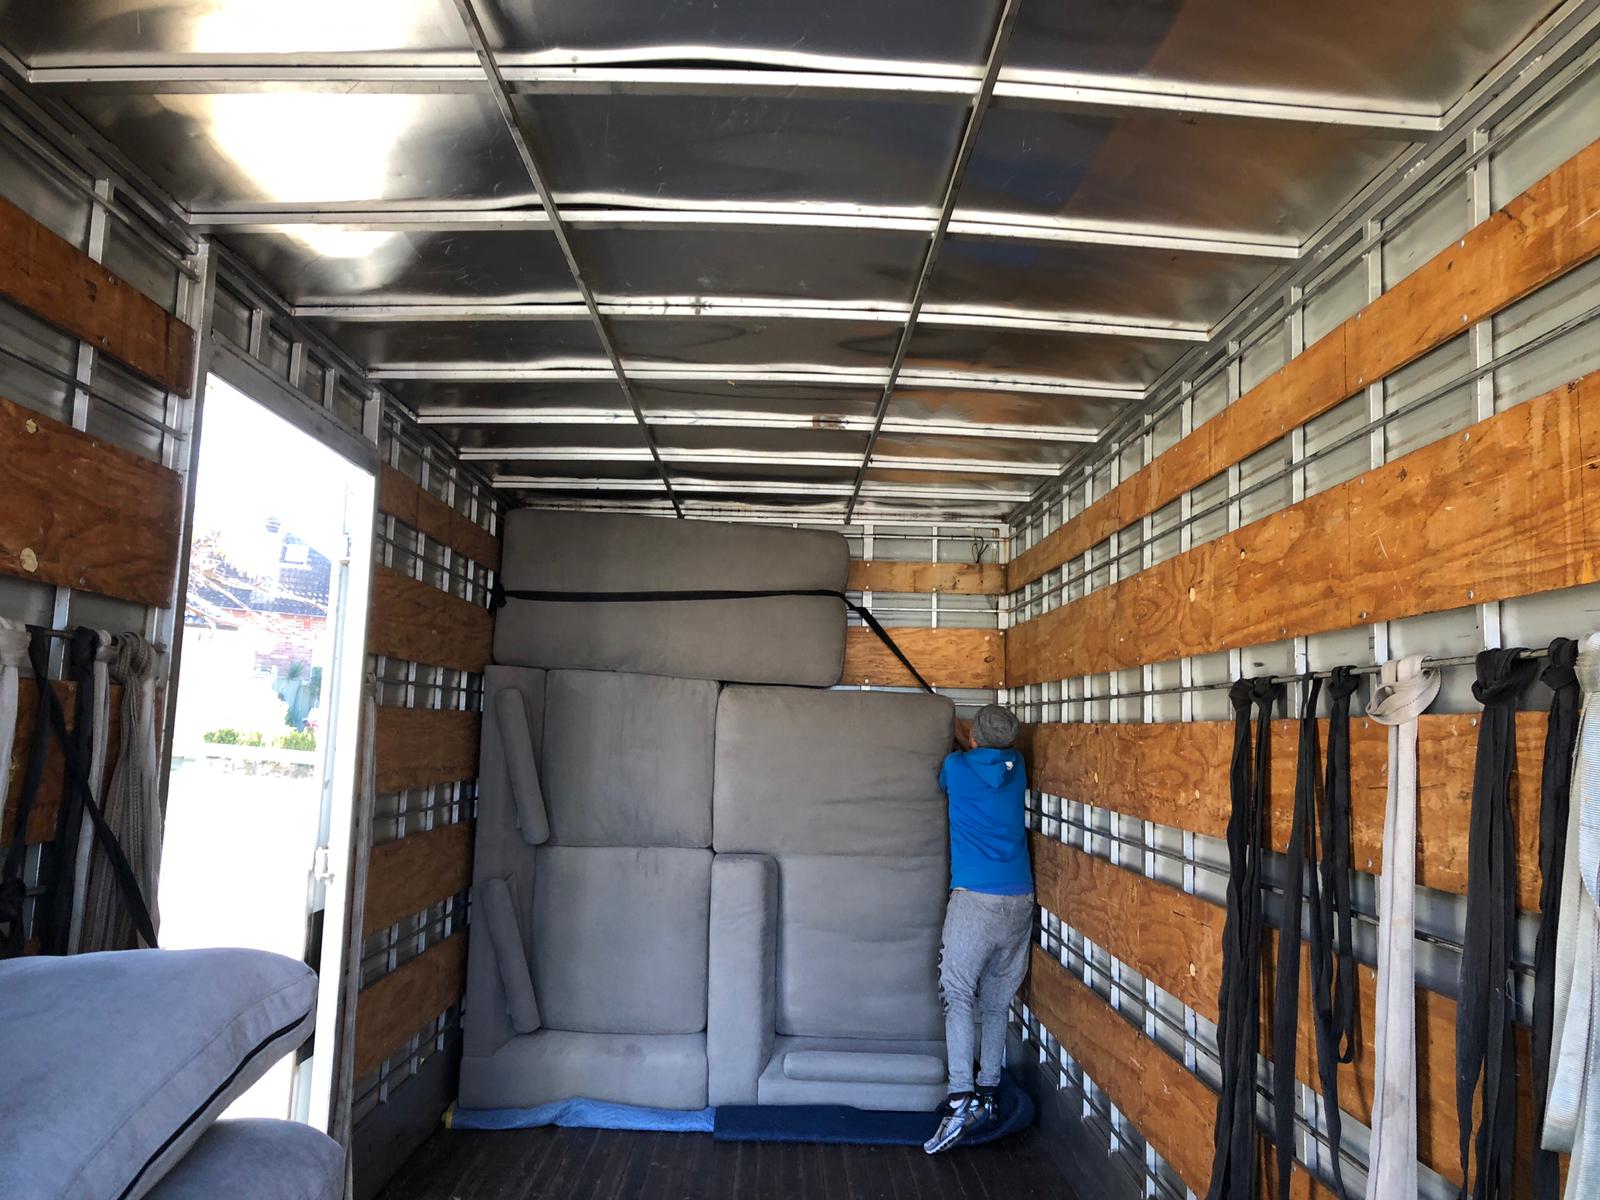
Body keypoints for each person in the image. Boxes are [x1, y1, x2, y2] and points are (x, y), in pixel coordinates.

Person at [924, 702, 1033, 1155]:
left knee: (957, 993)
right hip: (1021, 899)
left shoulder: (956, 767)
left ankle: (959, 1100)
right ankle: (988, 1094)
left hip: (975, 900)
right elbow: (991, 762)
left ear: (973, 739)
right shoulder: (1018, 767)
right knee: (995, 1001)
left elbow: (944, 779)